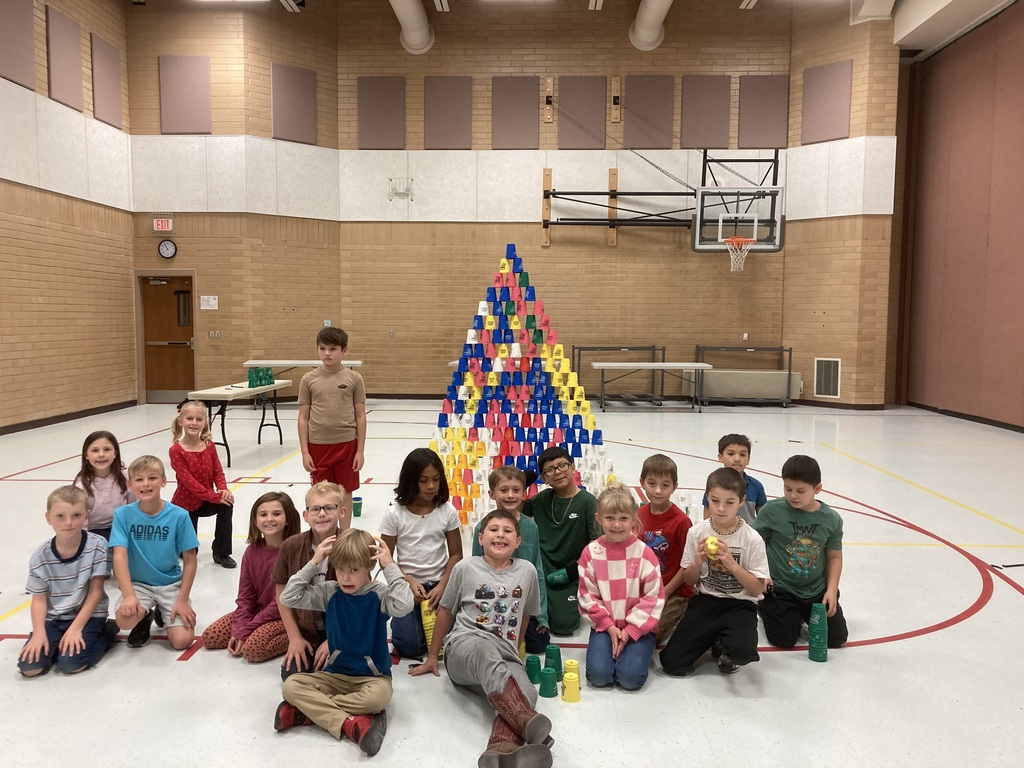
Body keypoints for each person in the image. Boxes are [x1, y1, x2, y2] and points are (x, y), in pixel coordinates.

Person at [409, 509, 552, 768]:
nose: (500, 535)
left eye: (508, 531)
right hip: (464, 647)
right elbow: (446, 611)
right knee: (484, 650)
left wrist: (516, 654)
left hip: (504, 655)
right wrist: (433, 655)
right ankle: (525, 719)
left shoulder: (527, 571)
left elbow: (525, 618)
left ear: (518, 542)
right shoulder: (465, 568)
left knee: (527, 690)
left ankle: (500, 749)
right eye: (493, 530)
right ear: (481, 539)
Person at [274, 528, 413, 757]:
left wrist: (390, 567)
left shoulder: (379, 594)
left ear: (370, 566)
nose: (345, 577)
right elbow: (288, 596)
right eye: (339, 569)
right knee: (291, 685)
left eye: (353, 570)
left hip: (372, 678)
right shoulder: (330, 592)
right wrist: (314, 561)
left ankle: (309, 712)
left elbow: (405, 605)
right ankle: (349, 723)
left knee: (379, 697)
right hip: (334, 676)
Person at [660, 468, 769, 676]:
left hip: (740, 605)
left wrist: (732, 564)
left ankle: (725, 647)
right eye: (714, 500)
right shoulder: (697, 532)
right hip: (706, 601)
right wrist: (697, 561)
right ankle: (713, 637)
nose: (720, 508)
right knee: (672, 664)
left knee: (742, 651)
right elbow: (689, 580)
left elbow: (757, 589)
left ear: (741, 501)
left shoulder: (751, 538)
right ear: (707, 497)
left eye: (729, 502)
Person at [17, 486, 117, 677]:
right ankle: (57, 643)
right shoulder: (40, 556)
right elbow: (39, 600)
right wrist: (38, 634)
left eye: (76, 515)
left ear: (87, 516)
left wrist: (76, 629)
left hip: (89, 616)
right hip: (55, 618)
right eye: (60, 516)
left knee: (71, 664)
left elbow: (95, 593)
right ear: (48, 518)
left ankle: (107, 632)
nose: (69, 522)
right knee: (30, 668)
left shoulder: (97, 546)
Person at [752, 454, 849, 648]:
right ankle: (769, 608)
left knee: (836, 639)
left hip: (816, 589)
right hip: (780, 588)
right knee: (784, 639)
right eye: (788, 489)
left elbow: (834, 557)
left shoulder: (831, 519)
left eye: (800, 491)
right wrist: (761, 574)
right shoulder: (771, 511)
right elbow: (754, 545)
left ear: (817, 489)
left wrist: (831, 590)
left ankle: (801, 612)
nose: (793, 495)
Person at [578, 483, 664, 690]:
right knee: (599, 677)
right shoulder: (591, 553)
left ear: (634, 520)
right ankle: (614, 648)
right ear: (599, 519)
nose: (617, 524)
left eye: (624, 518)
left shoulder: (644, 553)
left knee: (629, 680)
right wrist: (608, 627)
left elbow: (653, 598)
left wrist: (631, 630)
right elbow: (587, 596)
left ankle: (636, 651)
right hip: (605, 625)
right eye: (610, 518)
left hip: (639, 627)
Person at [110, 455, 200, 651]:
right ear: (130, 484)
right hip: (139, 585)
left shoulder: (179, 516)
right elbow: (119, 556)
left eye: (152, 478)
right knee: (125, 621)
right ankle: (144, 616)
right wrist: (128, 595)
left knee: (181, 641)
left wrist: (183, 600)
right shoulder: (122, 515)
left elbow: (190, 560)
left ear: (164, 481)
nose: (146, 484)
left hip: (170, 584)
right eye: (139, 479)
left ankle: (163, 609)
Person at [380, 447, 463, 658]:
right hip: (407, 585)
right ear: (410, 480)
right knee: (410, 646)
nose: (431, 486)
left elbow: (455, 555)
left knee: (451, 641)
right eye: (423, 480)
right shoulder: (395, 514)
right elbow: (385, 558)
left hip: (440, 584)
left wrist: (443, 586)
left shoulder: (447, 510)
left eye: (436, 479)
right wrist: (407, 581)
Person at [203, 492, 302, 662]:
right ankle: (250, 630)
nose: (269, 519)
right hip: (258, 612)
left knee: (253, 650)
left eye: (276, 514)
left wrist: (247, 630)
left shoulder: (294, 551)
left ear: (288, 519)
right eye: (263, 514)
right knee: (210, 637)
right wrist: (241, 627)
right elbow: (245, 596)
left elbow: (280, 603)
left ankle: (295, 636)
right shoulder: (251, 551)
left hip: (285, 616)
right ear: (255, 521)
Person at [271, 481, 347, 679]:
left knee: (334, 674)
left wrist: (335, 640)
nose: (322, 514)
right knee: (292, 675)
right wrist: (295, 638)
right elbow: (282, 592)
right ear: (305, 515)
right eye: (315, 509)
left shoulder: (351, 545)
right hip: (306, 631)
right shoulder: (291, 546)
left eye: (329, 508)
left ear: (342, 512)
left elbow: (359, 598)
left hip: (342, 631)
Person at [470, 466, 550, 653]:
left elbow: (537, 570)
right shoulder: (481, 529)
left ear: (524, 493)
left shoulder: (531, 527)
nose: (510, 495)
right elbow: (474, 571)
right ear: (492, 494)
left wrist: (542, 614)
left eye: (516, 490)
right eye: (504, 490)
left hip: (521, 603)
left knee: (539, 644)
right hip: (493, 601)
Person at [522, 446, 599, 636]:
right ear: (544, 478)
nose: (557, 472)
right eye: (550, 470)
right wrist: (524, 479)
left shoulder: (588, 502)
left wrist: (572, 572)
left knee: (564, 626)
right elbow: (512, 506)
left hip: (570, 572)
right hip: (541, 569)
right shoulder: (542, 499)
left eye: (562, 465)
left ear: (573, 468)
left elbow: (597, 544)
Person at [298, 326, 366, 515]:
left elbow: (360, 416)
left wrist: (360, 450)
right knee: (322, 495)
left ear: (344, 350)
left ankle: (344, 538)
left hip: (347, 445)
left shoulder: (354, 378)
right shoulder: (308, 379)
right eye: (322, 348)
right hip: (318, 446)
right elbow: (303, 417)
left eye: (333, 349)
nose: (327, 353)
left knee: (345, 493)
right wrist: (305, 452)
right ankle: (324, 536)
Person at [169, 401, 236, 568]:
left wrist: (222, 489)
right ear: (181, 421)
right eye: (189, 418)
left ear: (205, 422)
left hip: (207, 499)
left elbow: (217, 472)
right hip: (185, 504)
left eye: (199, 419)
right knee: (191, 552)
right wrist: (214, 496)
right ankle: (181, 543)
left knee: (227, 504)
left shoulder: (209, 446)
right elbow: (190, 483)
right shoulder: (176, 451)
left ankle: (221, 552)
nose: (194, 423)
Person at [637, 453, 693, 644]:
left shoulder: (681, 522)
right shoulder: (639, 514)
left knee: (649, 634)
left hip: (675, 590)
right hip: (647, 586)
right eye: (652, 484)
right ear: (642, 482)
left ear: (675, 487)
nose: (658, 491)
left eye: (665, 485)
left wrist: (667, 591)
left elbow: (688, 564)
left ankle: (684, 613)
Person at [73, 430, 135, 542]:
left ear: (115, 453)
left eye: (107, 450)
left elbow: (134, 505)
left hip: (120, 526)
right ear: (86, 455)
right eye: (95, 450)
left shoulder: (125, 476)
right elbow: (80, 519)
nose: (101, 454)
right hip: (94, 530)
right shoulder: (81, 484)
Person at [701, 434, 768, 524]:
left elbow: (764, 519)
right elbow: (707, 520)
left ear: (748, 459)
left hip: (747, 536)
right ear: (720, 457)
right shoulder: (714, 485)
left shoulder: (756, 486)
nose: (737, 459)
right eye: (731, 454)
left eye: (742, 455)